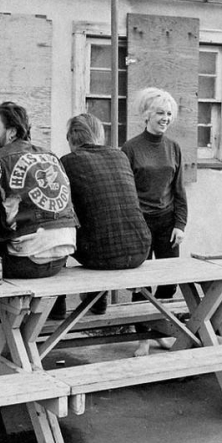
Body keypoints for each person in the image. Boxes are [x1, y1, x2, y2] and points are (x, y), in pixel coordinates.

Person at [56, 113, 151, 316]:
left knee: (61, 228)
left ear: (71, 139)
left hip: (98, 255)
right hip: (140, 248)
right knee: (101, 223)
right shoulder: (120, 156)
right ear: (100, 136)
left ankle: (58, 307)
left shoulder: (67, 162)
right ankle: (96, 300)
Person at [122, 88, 187, 356]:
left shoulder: (174, 148)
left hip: (167, 222)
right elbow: (125, 191)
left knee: (169, 281)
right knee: (142, 284)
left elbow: (179, 189)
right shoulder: (131, 148)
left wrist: (180, 225)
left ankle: (158, 332)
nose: (165, 118)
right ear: (147, 114)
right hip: (140, 223)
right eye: (160, 112)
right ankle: (143, 339)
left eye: (169, 114)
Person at [0, 101, 77, 279]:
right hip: (62, 257)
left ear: (12, 132)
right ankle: (58, 307)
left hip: (25, 261)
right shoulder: (51, 155)